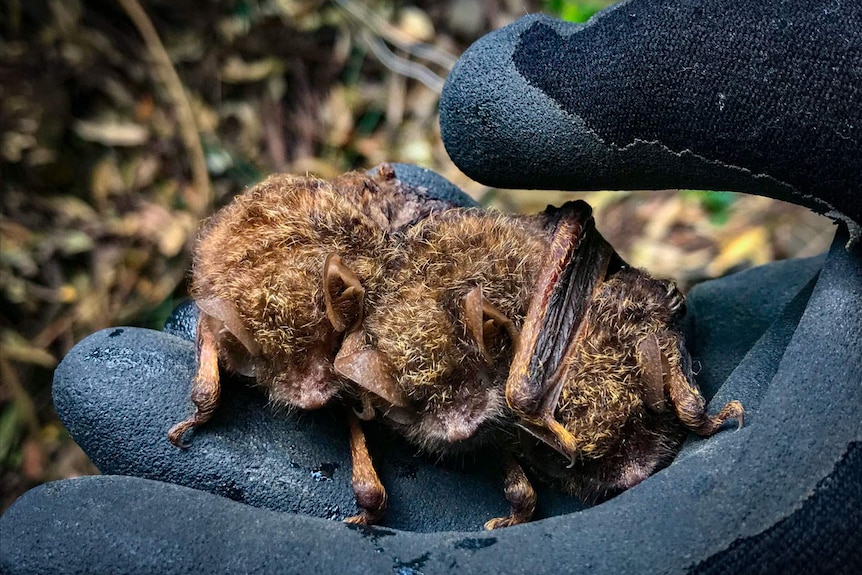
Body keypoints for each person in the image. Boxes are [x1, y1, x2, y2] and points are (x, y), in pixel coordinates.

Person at [1, 1, 859, 572]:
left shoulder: (512, 372)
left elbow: (528, 394)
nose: (319, 379)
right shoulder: (350, 329)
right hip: (446, 319)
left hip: (519, 326)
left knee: (528, 392)